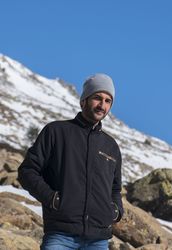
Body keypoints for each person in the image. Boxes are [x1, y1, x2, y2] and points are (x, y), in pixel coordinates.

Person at [18, 73, 123, 250]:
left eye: (107, 101)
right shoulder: (56, 132)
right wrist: (53, 199)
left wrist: (115, 211)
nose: (102, 105)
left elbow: (115, 188)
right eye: (97, 98)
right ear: (83, 100)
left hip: (98, 240)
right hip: (60, 235)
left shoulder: (111, 146)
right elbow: (27, 171)